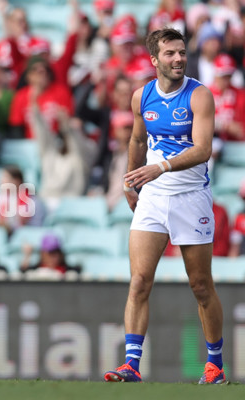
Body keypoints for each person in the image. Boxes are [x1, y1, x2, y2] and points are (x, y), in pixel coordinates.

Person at [104, 28, 226, 384]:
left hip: (191, 196)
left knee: (201, 285)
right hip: (154, 197)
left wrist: (161, 167)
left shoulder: (199, 95)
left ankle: (215, 364)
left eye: (182, 52)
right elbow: (138, 139)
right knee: (140, 281)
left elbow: (203, 149)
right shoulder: (142, 96)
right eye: (170, 53)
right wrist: (130, 179)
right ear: (154, 60)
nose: (178, 59)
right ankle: (131, 365)